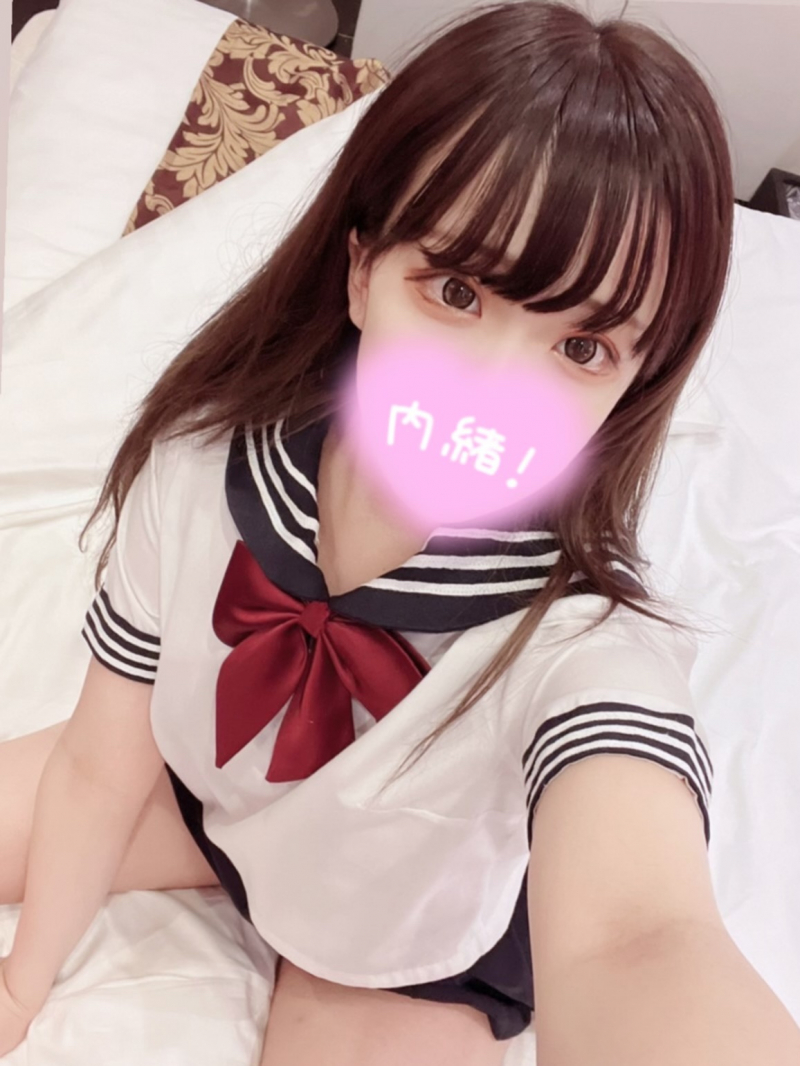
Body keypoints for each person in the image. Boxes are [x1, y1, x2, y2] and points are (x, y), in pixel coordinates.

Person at [7, 3, 797, 1065]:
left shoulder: (572, 641)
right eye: (458, 291)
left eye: (582, 347)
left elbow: (638, 935)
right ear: (361, 270)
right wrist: (20, 984)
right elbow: (101, 765)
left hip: (404, 945)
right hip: (217, 797)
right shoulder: (201, 469)